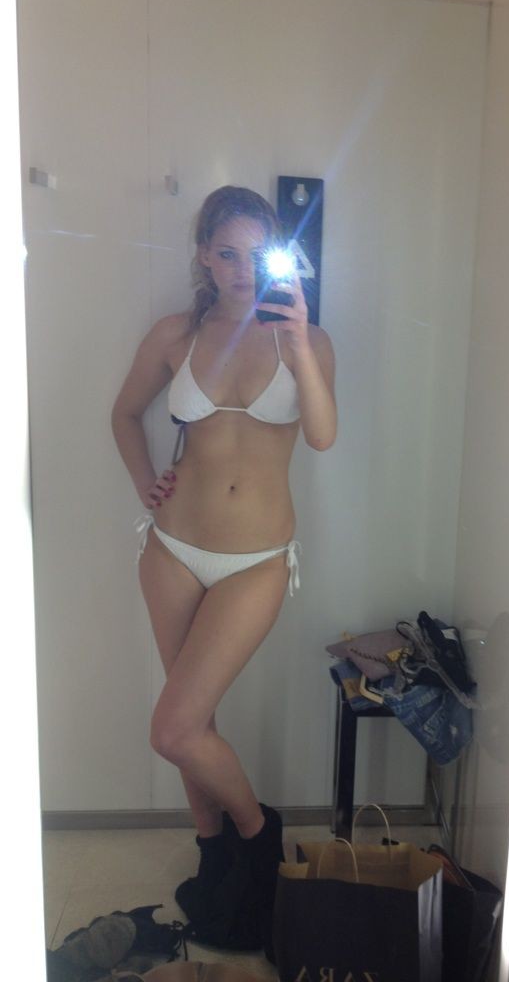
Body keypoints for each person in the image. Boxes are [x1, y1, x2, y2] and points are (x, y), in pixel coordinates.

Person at [111, 185, 336, 934]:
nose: (242, 269)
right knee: (192, 719)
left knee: (173, 728)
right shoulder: (176, 334)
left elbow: (323, 436)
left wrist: (298, 343)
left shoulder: (307, 339)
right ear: (205, 256)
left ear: (280, 257)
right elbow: (124, 413)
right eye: (228, 253)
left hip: (257, 559)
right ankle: (214, 855)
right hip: (172, 548)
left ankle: (256, 833)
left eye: (257, 254)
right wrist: (146, 482)